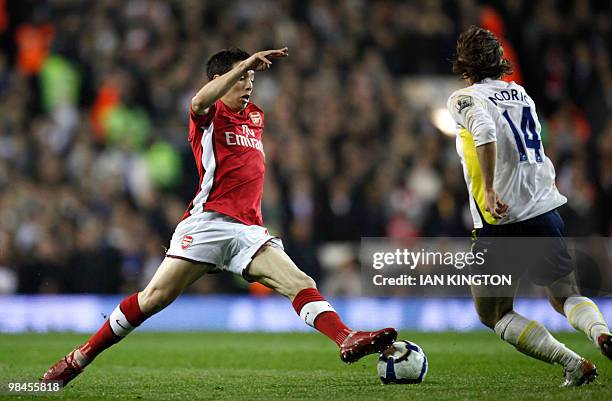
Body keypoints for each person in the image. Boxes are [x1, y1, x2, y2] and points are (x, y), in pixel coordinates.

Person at [42, 47, 397, 386]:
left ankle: (346, 338)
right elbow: (197, 101)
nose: (248, 86)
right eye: (242, 79)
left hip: (248, 230)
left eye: (252, 82)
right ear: (221, 79)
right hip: (209, 222)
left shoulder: (256, 117)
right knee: (152, 299)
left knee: (300, 282)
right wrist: (243, 66)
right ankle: (79, 358)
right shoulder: (208, 114)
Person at [447, 26, 610, 387]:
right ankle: (600, 333)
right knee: (565, 295)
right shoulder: (521, 94)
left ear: (464, 64)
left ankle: (572, 363)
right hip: (544, 212)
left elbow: (486, 134)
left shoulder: (464, 99)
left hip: (499, 220)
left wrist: (489, 189)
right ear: (498, 60)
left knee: (495, 314)